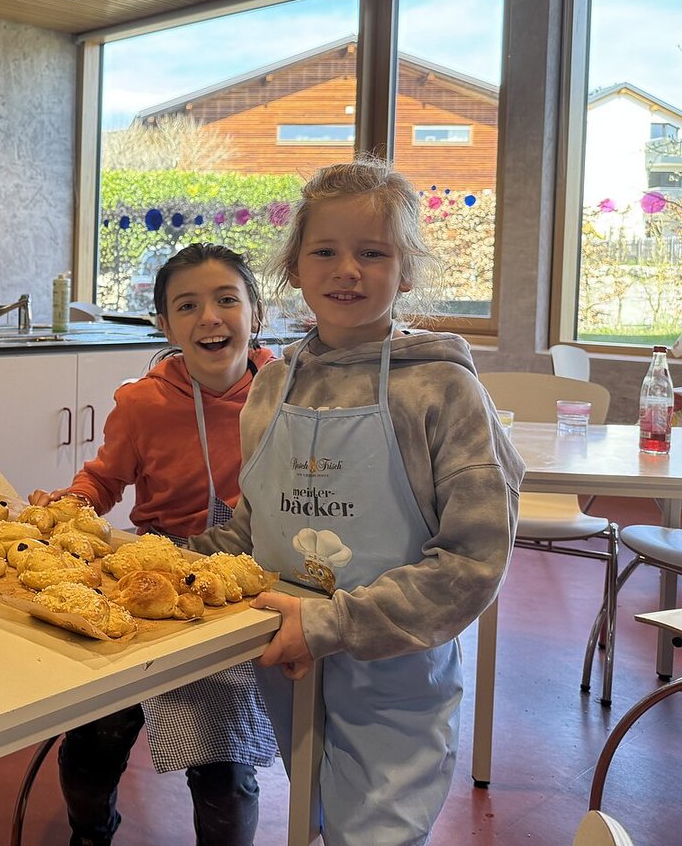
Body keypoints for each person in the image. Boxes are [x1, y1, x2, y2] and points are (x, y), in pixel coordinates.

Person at [190, 156, 523, 846]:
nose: (347, 270)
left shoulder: (442, 390)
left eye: (373, 253)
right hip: (288, 663)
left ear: (407, 271)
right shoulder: (272, 385)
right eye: (325, 252)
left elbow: (472, 562)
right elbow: (254, 526)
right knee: (314, 819)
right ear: (294, 268)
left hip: (394, 670)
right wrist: (173, 563)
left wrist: (336, 623)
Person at [28, 243, 278, 846]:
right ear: (165, 325)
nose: (209, 318)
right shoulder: (141, 402)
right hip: (149, 584)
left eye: (227, 300)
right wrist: (72, 502)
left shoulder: (287, 395)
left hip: (239, 593)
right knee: (96, 739)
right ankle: (92, 833)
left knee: (223, 768)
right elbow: (104, 479)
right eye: (187, 306)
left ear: (257, 312)